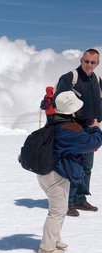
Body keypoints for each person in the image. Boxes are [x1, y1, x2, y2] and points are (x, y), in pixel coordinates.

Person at [36, 91, 102, 253]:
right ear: (71, 111)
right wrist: (95, 129)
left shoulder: (56, 121)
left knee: (61, 207)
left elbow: (76, 127)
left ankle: (54, 238)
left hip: (49, 172)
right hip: (55, 176)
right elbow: (93, 142)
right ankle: (47, 247)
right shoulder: (68, 130)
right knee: (57, 211)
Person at [55, 48, 102, 217]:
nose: (89, 65)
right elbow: (59, 100)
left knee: (86, 166)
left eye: (93, 62)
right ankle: (67, 202)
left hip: (90, 128)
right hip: (74, 129)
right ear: (81, 60)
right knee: (72, 166)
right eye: (86, 61)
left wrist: (98, 121)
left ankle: (80, 199)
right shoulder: (69, 78)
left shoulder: (97, 79)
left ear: (97, 63)